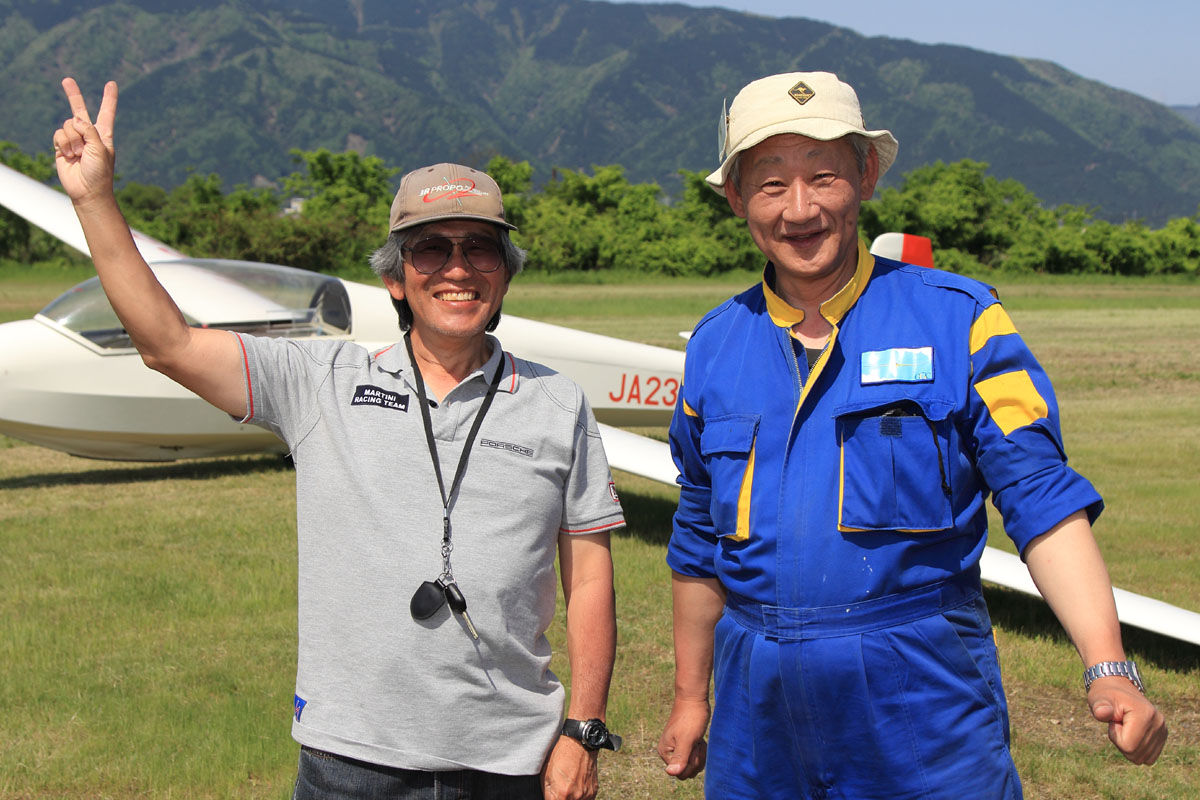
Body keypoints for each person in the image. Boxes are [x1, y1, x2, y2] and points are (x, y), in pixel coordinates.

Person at [53, 77, 625, 800]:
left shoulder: (557, 403)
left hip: (511, 759)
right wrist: (94, 201)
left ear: (505, 275)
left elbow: (591, 578)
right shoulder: (321, 383)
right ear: (396, 279)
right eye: (431, 249)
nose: (457, 269)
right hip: (350, 761)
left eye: (481, 249)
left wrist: (583, 729)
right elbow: (168, 344)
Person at [655, 71, 1168, 798]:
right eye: (770, 184)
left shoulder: (961, 319)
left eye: (823, 176)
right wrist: (690, 699)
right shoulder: (714, 345)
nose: (799, 209)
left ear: (865, 175)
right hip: (756, 712)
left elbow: (1040, 498)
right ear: (737, 197)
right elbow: (699, 537)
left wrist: (1107, 666)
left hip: (920, 698)